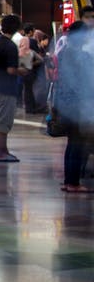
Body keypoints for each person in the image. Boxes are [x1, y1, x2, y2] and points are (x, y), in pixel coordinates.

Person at [55, 13, 93, 192]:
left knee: (72, 143)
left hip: (65, 103)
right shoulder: (80, 56)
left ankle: (69, 181)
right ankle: (73, 183)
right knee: (77, 144)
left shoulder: (63, 52)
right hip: (77, 105)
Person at [0, 14, 29, 163]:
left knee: (1, 119)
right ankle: (0, 152)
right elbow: (11, 70)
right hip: (6, 87)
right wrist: (22, 71)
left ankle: (3, 150)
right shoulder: (10, 45)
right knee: (3, 121)